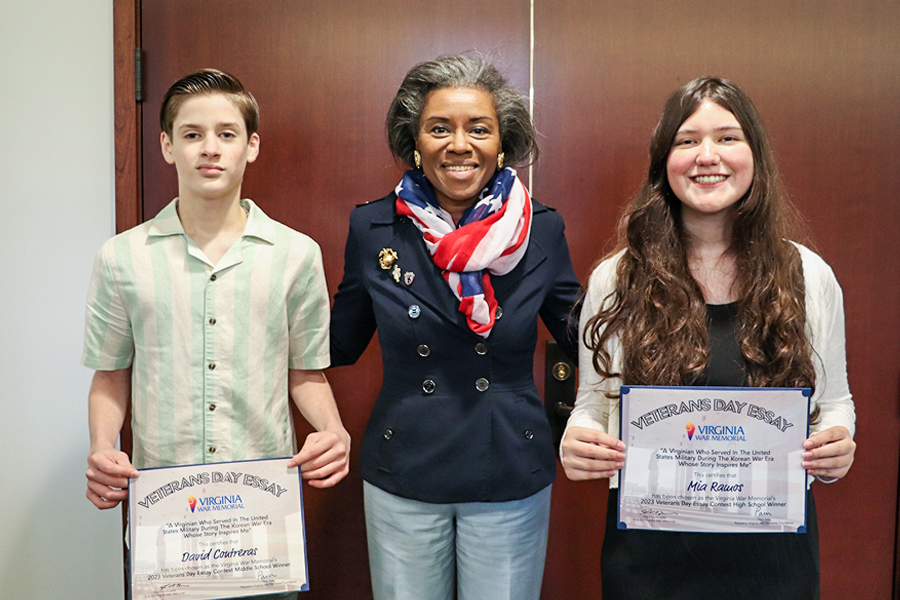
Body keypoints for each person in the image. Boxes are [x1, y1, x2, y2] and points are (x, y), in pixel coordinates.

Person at [561, 76, 856, 599]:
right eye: (686, 140)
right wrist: (578, 438)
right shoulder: (616, 277)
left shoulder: (809, 275)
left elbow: (835, 404)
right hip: (649, 560)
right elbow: (591, 405)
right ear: (663, 161)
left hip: (773, 560)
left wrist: (836, 449)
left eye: (727, 137)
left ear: (755, 155)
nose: (706, 155)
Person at [82, 69, 350, 598]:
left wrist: (333, 430)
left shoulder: (297, 255)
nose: (210, 148)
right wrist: (100, 446)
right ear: (166, 146)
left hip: (261, 519)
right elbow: (110, 374)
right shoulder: (121, 258)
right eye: (191, 134)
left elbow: (306, 371)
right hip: (166, 516)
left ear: (251, 147)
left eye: (227, 134)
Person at [329, 54, 581, 600]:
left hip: (509, 467)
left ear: (501, 142)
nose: (459, 145)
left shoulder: (541, 229)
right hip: (403, 470)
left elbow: (583, 337)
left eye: (478, 129)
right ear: (415, 141)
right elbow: (336, 343)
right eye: (439, 128)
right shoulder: (373, 227)